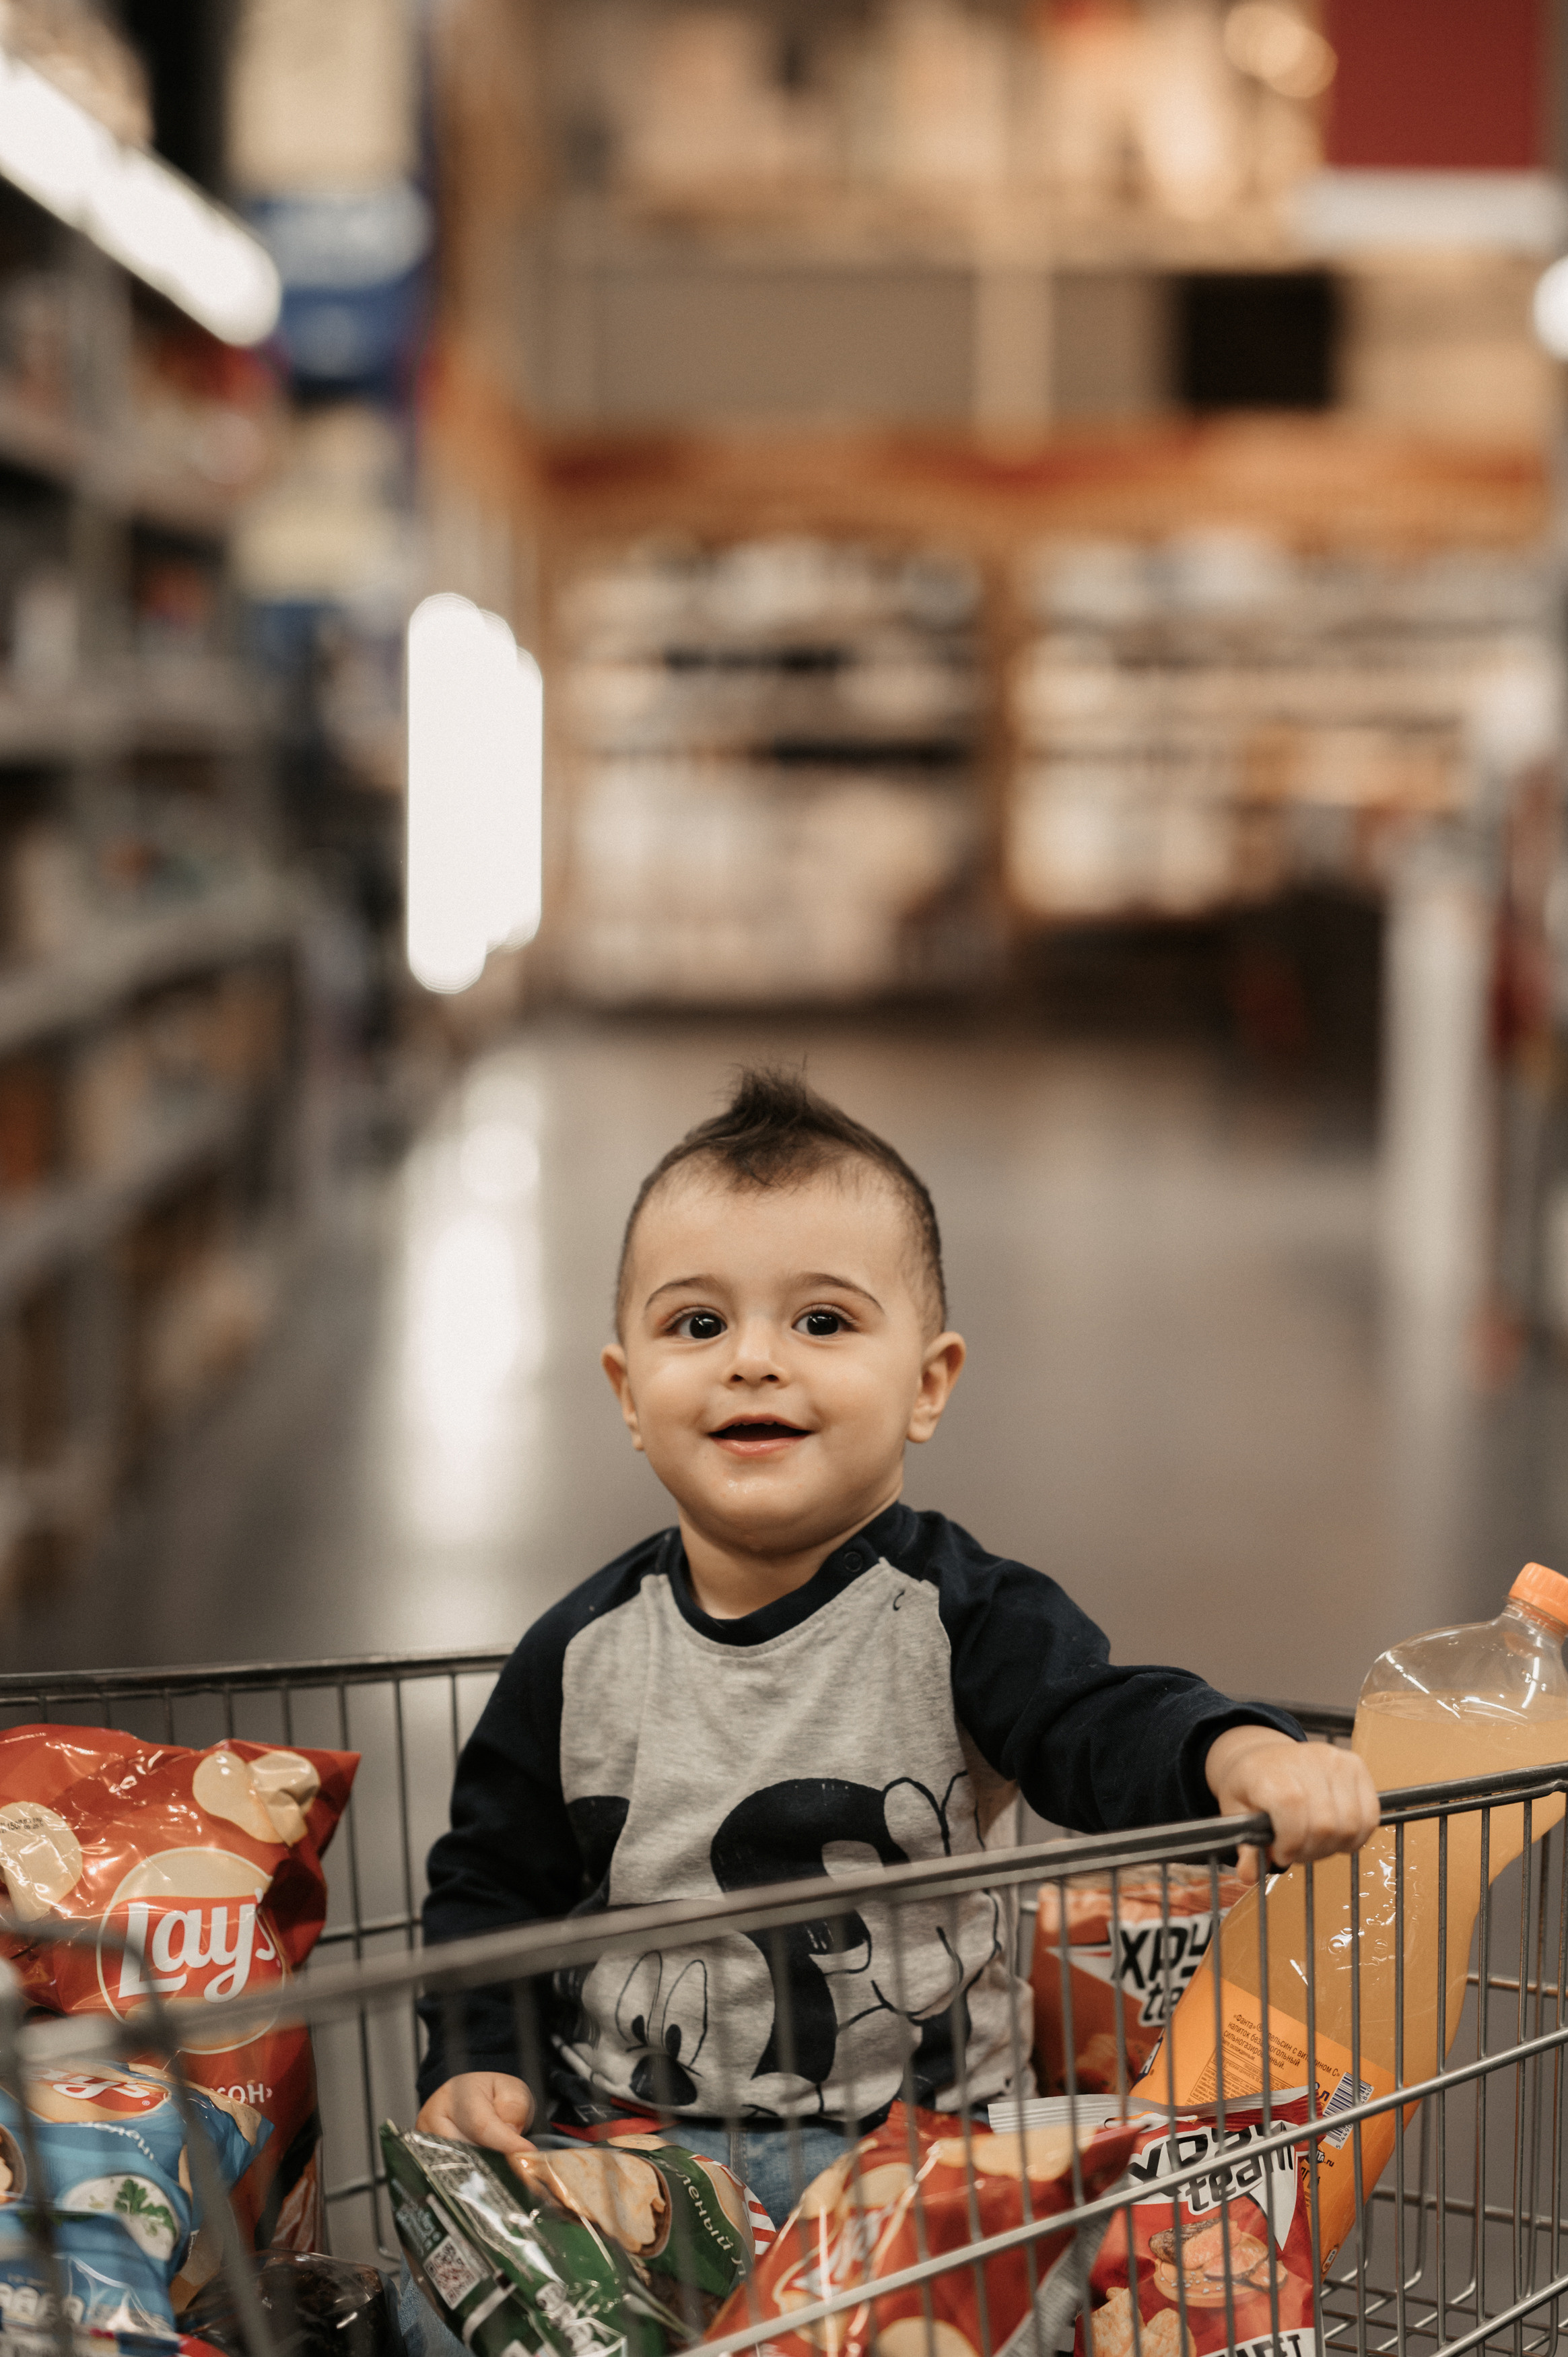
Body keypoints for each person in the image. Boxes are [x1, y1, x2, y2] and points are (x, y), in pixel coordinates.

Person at [411, 1067, 1379, 2228]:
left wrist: (1232, 1753)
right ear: (627, 1392)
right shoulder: (578, 1654)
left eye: (821, 1322)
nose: (753, 1359)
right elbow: (492, 1885)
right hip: (631, 2161)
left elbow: (1094, 1718)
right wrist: (477, 2062)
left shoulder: (960, 1618)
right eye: (696, 1323)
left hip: (920, 2177)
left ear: (927, 1385)